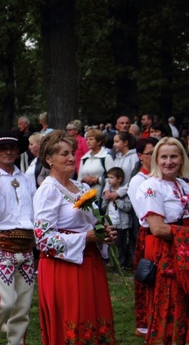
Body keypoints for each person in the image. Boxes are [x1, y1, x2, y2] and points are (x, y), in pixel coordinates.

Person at [33, 130, 117, 344]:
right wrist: (85, 238)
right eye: (64, 154)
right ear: (49, 159)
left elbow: (92, 222)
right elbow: (43, 240)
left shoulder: (82, 187)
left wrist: (103, 232)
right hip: (63, 268)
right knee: (74, 320)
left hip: (90, 263)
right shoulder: (48, 190)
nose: (71, 157)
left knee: (94, 317)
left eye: (72, 152)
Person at [0, 130, 36, 345]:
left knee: (23, 305)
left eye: (12, 147)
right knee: (5, 302)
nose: (8, 151)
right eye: (2, 148)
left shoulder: (26, 178)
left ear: (19, 150)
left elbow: (33, 212)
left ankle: (17, 342)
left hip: (26, 245)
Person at [136, 137, 189, 344]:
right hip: (164, 252)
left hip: (181, 250)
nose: (169, 162)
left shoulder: (183, 185)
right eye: (164, 157)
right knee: (168, 304)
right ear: (156, 160)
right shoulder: (151, 186)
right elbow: (157, 228)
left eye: (174, 156)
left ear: (182, 159)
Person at [127, 136, 158, 337]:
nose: (155, 157)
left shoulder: (161, 177)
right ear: (140, 156)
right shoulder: (139, 181)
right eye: (150, 153)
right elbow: (143, 215)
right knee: (148, 276)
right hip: (149, 234)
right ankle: (145, 321)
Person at [101, 167, 133, 268]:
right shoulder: (107, 192)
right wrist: (106, 200)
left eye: (111, 178)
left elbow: (128, 207)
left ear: (119, 179)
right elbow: (103, 207)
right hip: (110, 222)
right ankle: (113, 262)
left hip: (122, 224)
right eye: (108, 178)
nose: (109, 180)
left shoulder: (123, 193)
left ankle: (122, 263)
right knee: (111, 242)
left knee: (122, 244)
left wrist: (117, 201)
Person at [78, 129, 114, 202]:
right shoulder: (85, 158)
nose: (88, 141)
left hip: (101, 198)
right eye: (87, 139)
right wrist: (83, 180)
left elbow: (113, 178)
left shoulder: (106, 157)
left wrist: (98, 180)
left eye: (91, 139)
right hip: (86, 198)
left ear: (99, 142)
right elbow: (79, 179)